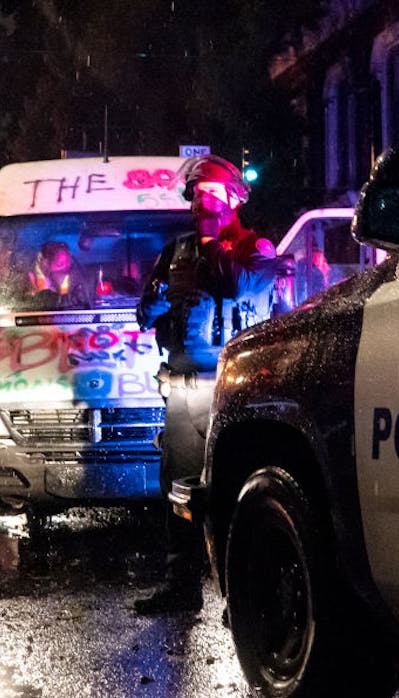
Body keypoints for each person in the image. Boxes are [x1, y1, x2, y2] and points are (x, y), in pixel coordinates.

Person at [134, 154, 282, 615]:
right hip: (183, 391)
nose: (203, 203)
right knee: (179, 492)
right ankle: (181, 585)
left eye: (213, 194)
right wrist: (162, 295)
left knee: (234, 490)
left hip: (234, 393)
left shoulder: (256, 248)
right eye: (198, 194)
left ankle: (244, 596)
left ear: (234, 200)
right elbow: (145, 314)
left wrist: (210, 243)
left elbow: (236, 286)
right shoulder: (176, 251)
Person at [24, 240, 91, 309]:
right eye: (60, 265)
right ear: (45, 263)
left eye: (68, 264)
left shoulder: (76, 283)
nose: (65, 270)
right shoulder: (30, 281)